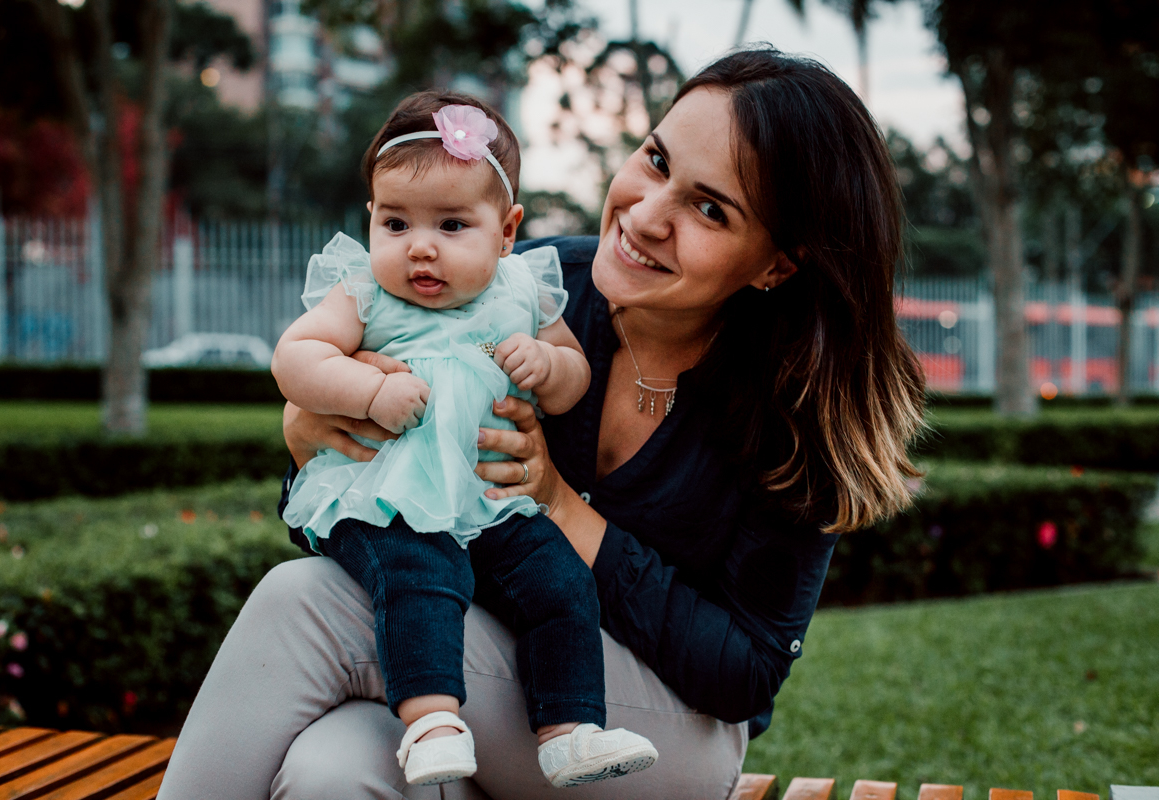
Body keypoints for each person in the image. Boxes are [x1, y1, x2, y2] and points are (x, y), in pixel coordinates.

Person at [158, 45, 925, 800]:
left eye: (709, 209)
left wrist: (559, 505)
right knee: (335, 765)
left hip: (666, 732)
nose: (646, 215)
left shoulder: (801, 407)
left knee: (308, 603)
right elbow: (379, 512)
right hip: (487, 678)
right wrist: (311, 438)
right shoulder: (518, 285)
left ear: (776, 264)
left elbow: (743, 675)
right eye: (657, 161)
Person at [270, 91, 656, 788]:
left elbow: (572, 381)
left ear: (506, 232)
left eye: (451, 224)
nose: (420, 246)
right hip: (391, 497)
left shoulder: (522, 290)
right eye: (395, 223)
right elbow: (294, 358)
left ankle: (569, 731)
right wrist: (367, 391)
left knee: (561, 581)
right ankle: (431, 724)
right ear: (371, 218)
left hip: (489, 499)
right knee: (421, 577)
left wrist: (548, 366)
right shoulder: (365, 293)